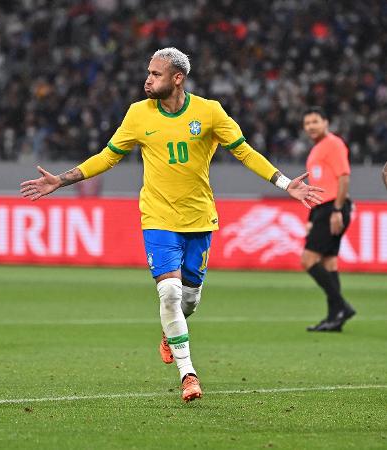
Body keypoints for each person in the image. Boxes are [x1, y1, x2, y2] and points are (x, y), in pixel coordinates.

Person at [20, 48, 323, 402]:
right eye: (148, 73)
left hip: (198, 218)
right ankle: (188, 375)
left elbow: (245, 151)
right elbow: (108, 156)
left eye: (156, 74)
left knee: (189, 300)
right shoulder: (137, 114)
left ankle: (170, 332)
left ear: (177, 78)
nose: (148, 79)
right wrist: (62, 180)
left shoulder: (209, 112)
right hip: (158, 217)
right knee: (170, 293)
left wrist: (286, 184)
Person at [301, 107, 356, 332]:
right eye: (307, 123)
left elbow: (344, 177)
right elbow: (321, 186)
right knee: (329, 262)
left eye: (315, 121)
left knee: (308, 259)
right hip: (323, 209)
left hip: (333, 207)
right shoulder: (317, 149)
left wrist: (337, 209)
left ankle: (342, 306)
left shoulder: (333, 144)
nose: (311, 126)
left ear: (326, 122)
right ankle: (335, 317)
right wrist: (312, 216)